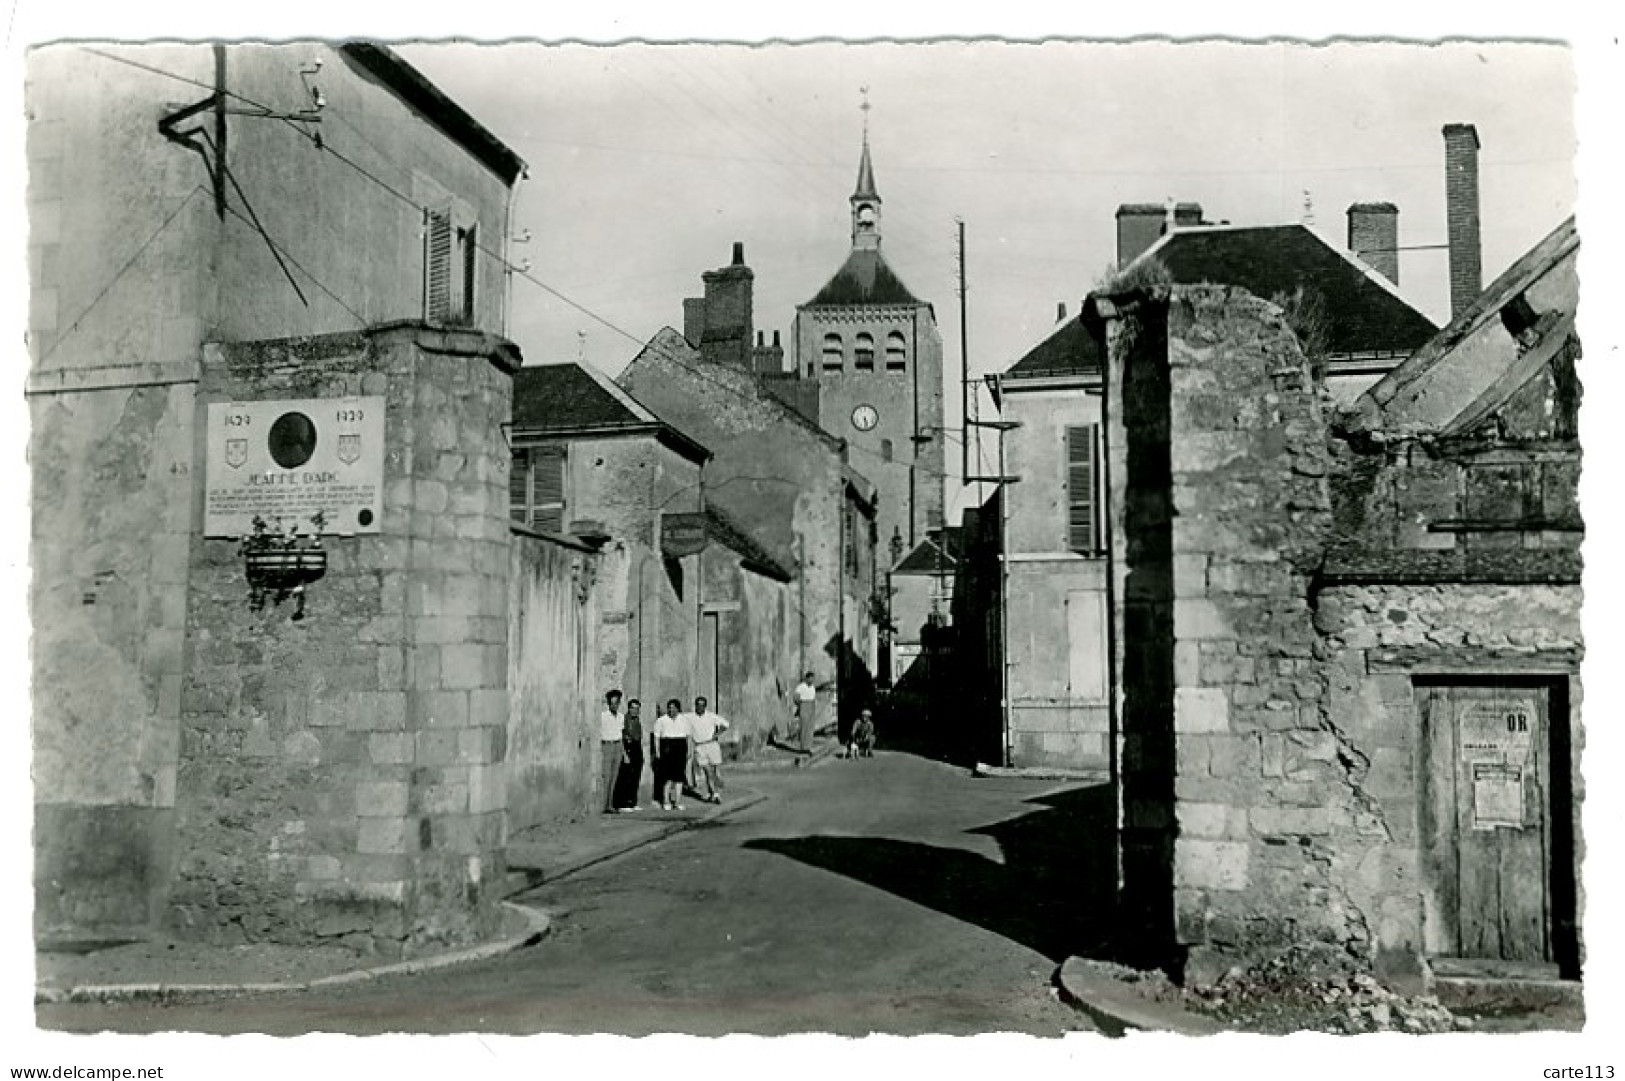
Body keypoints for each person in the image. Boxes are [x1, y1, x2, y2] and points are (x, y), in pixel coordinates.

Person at [688, 696, 731, 804]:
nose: (700, 707)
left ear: (705, 706)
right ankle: (714, 793)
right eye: (698, 705)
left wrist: (717, 734)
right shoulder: (690, 717)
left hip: (712, 745)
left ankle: (714, 793)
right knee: (707, 771)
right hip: (699, 746)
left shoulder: (711, 716)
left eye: (702, 705)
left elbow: (726, 724)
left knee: (715, 770)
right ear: (695, 705)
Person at [652, 698, 693, 811]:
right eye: (669, 708)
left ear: (678, 709)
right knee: (667, 777)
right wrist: (657, 752)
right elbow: (656, 738)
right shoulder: (661, 720)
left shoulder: (684, 720)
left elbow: (689, 737)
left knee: (679, 776)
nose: (671, 710)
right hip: (667, 746)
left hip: (680, 746)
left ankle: (678, 801)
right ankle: (666, 801)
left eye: (674, 708)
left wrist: (689, 751)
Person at [613, 698, 645, 812]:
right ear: (629, 708)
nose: (635, 711)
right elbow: (622, 736)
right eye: (632, 708)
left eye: (637, 709)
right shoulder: (624, 719)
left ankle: (632, 802)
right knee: (625, 777)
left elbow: (638, 737)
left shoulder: (637, 721)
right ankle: (622, 803)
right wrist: (625, 753)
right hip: (627, 749)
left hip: (636, 748)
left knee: (635, 777)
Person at [598, 690, 626, 814]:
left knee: (614, 777)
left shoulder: (621, 717)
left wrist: (624, 752)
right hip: (607, 746)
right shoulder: (603, 716)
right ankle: (602, 805)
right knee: (606, 776)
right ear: (608, 703)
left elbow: (621, 735)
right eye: (612, 703)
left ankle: (610, 805)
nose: (614, 705)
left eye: (617, 703)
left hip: (617, 746)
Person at [791, 670, 819, 752]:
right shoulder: (801, 686)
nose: (812, 680)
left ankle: (809, 747)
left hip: (811, 705)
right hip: (804, 705)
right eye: (810, 678)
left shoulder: (813, 687)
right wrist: (800, 705)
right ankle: (803, 747)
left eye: (813, 679)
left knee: (810, 727)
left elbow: (813, 697)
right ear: (807, 678)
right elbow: (795, 697)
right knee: (804, 727)